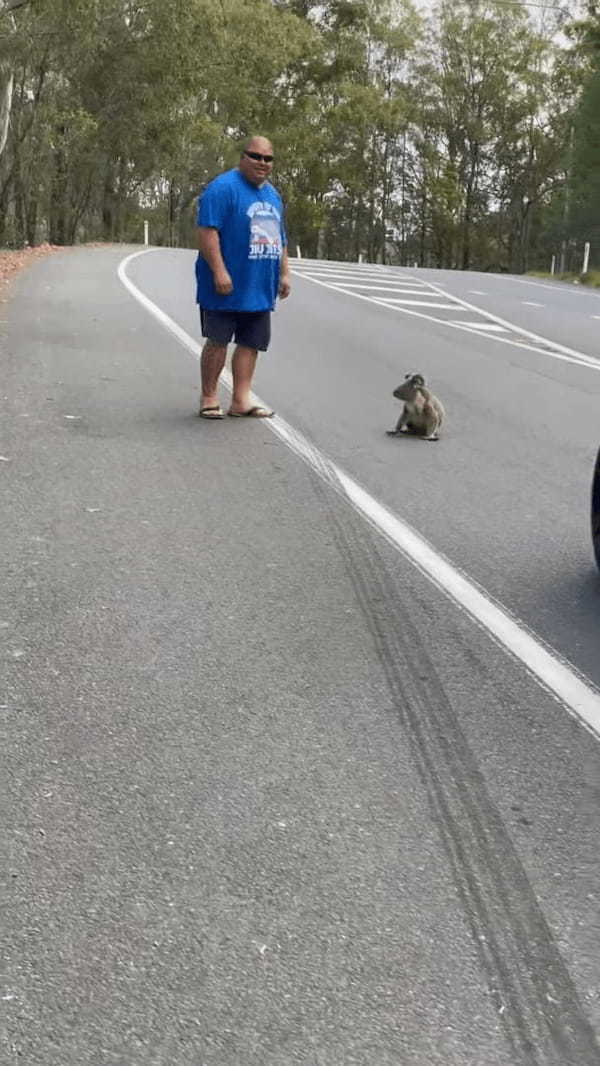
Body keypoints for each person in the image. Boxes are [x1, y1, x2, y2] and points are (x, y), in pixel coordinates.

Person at [195, 135, 290, 419]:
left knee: (251, 343)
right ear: (243, 157)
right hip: (224, 285)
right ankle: (209, 397)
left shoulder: (273, 196)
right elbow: (207, 231)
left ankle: (241, 399)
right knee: (218, 339)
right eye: (255, 156)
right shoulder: (222, 188)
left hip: (259, 285)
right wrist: (219, 270)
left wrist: (284, 273)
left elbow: (280, 238)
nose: (262, 163)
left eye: (268, 158)